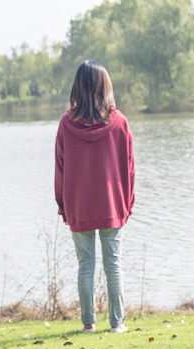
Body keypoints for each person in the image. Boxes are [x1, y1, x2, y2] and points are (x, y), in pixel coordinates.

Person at [54, 60, 135, 333]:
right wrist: (128, 203)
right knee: (113, 264)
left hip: (79, 205)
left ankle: (88, 324)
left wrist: (63, 207)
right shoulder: (120, 123)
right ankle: (117, 324)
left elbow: (60, 168)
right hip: (112, 203)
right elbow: (129, 167)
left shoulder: (67, 124)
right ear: (106, 87)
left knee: (85, 265)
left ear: (77, 87)